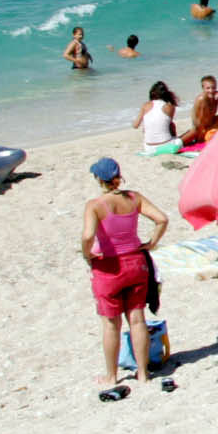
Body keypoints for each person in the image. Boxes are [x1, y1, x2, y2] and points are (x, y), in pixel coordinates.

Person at [80, 157, 167, 400]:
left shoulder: (95, 205)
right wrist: (152, 243)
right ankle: (142, 373)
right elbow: (162, 219)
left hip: (108, 266)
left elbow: (88, 235)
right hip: (136, 263)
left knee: (111, 324)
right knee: (137, 320)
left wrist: (87, 254)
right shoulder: (133, 198)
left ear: (99, 179)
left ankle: (111, 375)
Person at [179, 75, 218, 146]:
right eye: (208, 88)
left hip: (212, 124)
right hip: (201, 130)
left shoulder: (217, 95)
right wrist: (199, 139)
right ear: (203, 88)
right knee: (179, 143)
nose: (211, 90)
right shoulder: (202, 99)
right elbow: (198, 124)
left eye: (213, 87)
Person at [133, 80, 180, 155]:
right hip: (165, 144)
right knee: (172, 126)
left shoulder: (145, 105)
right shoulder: (170, 107)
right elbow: (169, 126)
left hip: (148, 147)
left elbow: (135, 125)